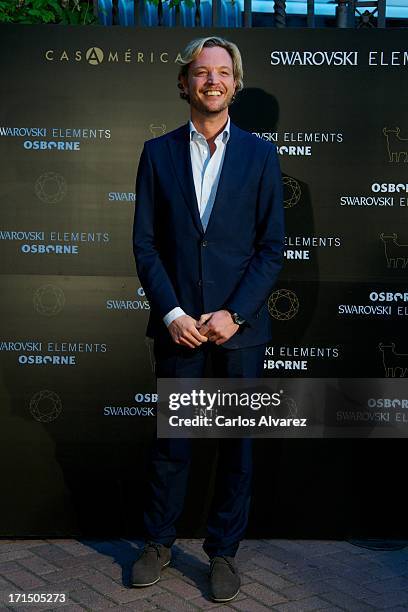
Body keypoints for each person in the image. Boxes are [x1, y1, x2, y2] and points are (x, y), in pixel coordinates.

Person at [131, 35, 284, 603]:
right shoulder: (157, 153)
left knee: (237, 448)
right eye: (201, 72)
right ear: (184, 82)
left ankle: (223, 553)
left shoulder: (262, 156)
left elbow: (272, 248)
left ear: (236, 84)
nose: (212, 80)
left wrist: (236, 315)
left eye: (223, 72)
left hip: (240, 332)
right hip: (179, 329)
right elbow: (145, 246)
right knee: (172, 445)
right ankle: (157, 543)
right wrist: (172, 313)